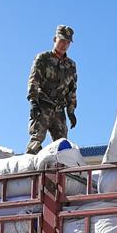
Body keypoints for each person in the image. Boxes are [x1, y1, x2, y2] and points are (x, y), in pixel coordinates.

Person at [26, 25, 78, 154]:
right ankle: (31, 171)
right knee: (36, 140)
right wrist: (33, 102)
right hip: (43, 105)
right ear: (55, 39)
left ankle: (58, 172)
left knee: (62, 146)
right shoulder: (43, 58)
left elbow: (72, 89)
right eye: (62, 41)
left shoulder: (71, 65)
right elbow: (34, 80)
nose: (64, 45)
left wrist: (71, 111)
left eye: (67, 42)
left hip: (59, 109)